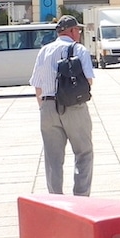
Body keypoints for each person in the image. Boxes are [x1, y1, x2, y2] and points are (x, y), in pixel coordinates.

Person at [29, 15, 95, 196]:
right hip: (74, 107)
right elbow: (88, 80)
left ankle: (55, 199)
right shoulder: (79, 50)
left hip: (48, 105)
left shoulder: (44, 51)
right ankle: (81, 197)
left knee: (53, 158)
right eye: (78, 30)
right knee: (83, 152)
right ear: (73, 31)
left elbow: (37, 84)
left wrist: (43, 107)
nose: (79, 33)